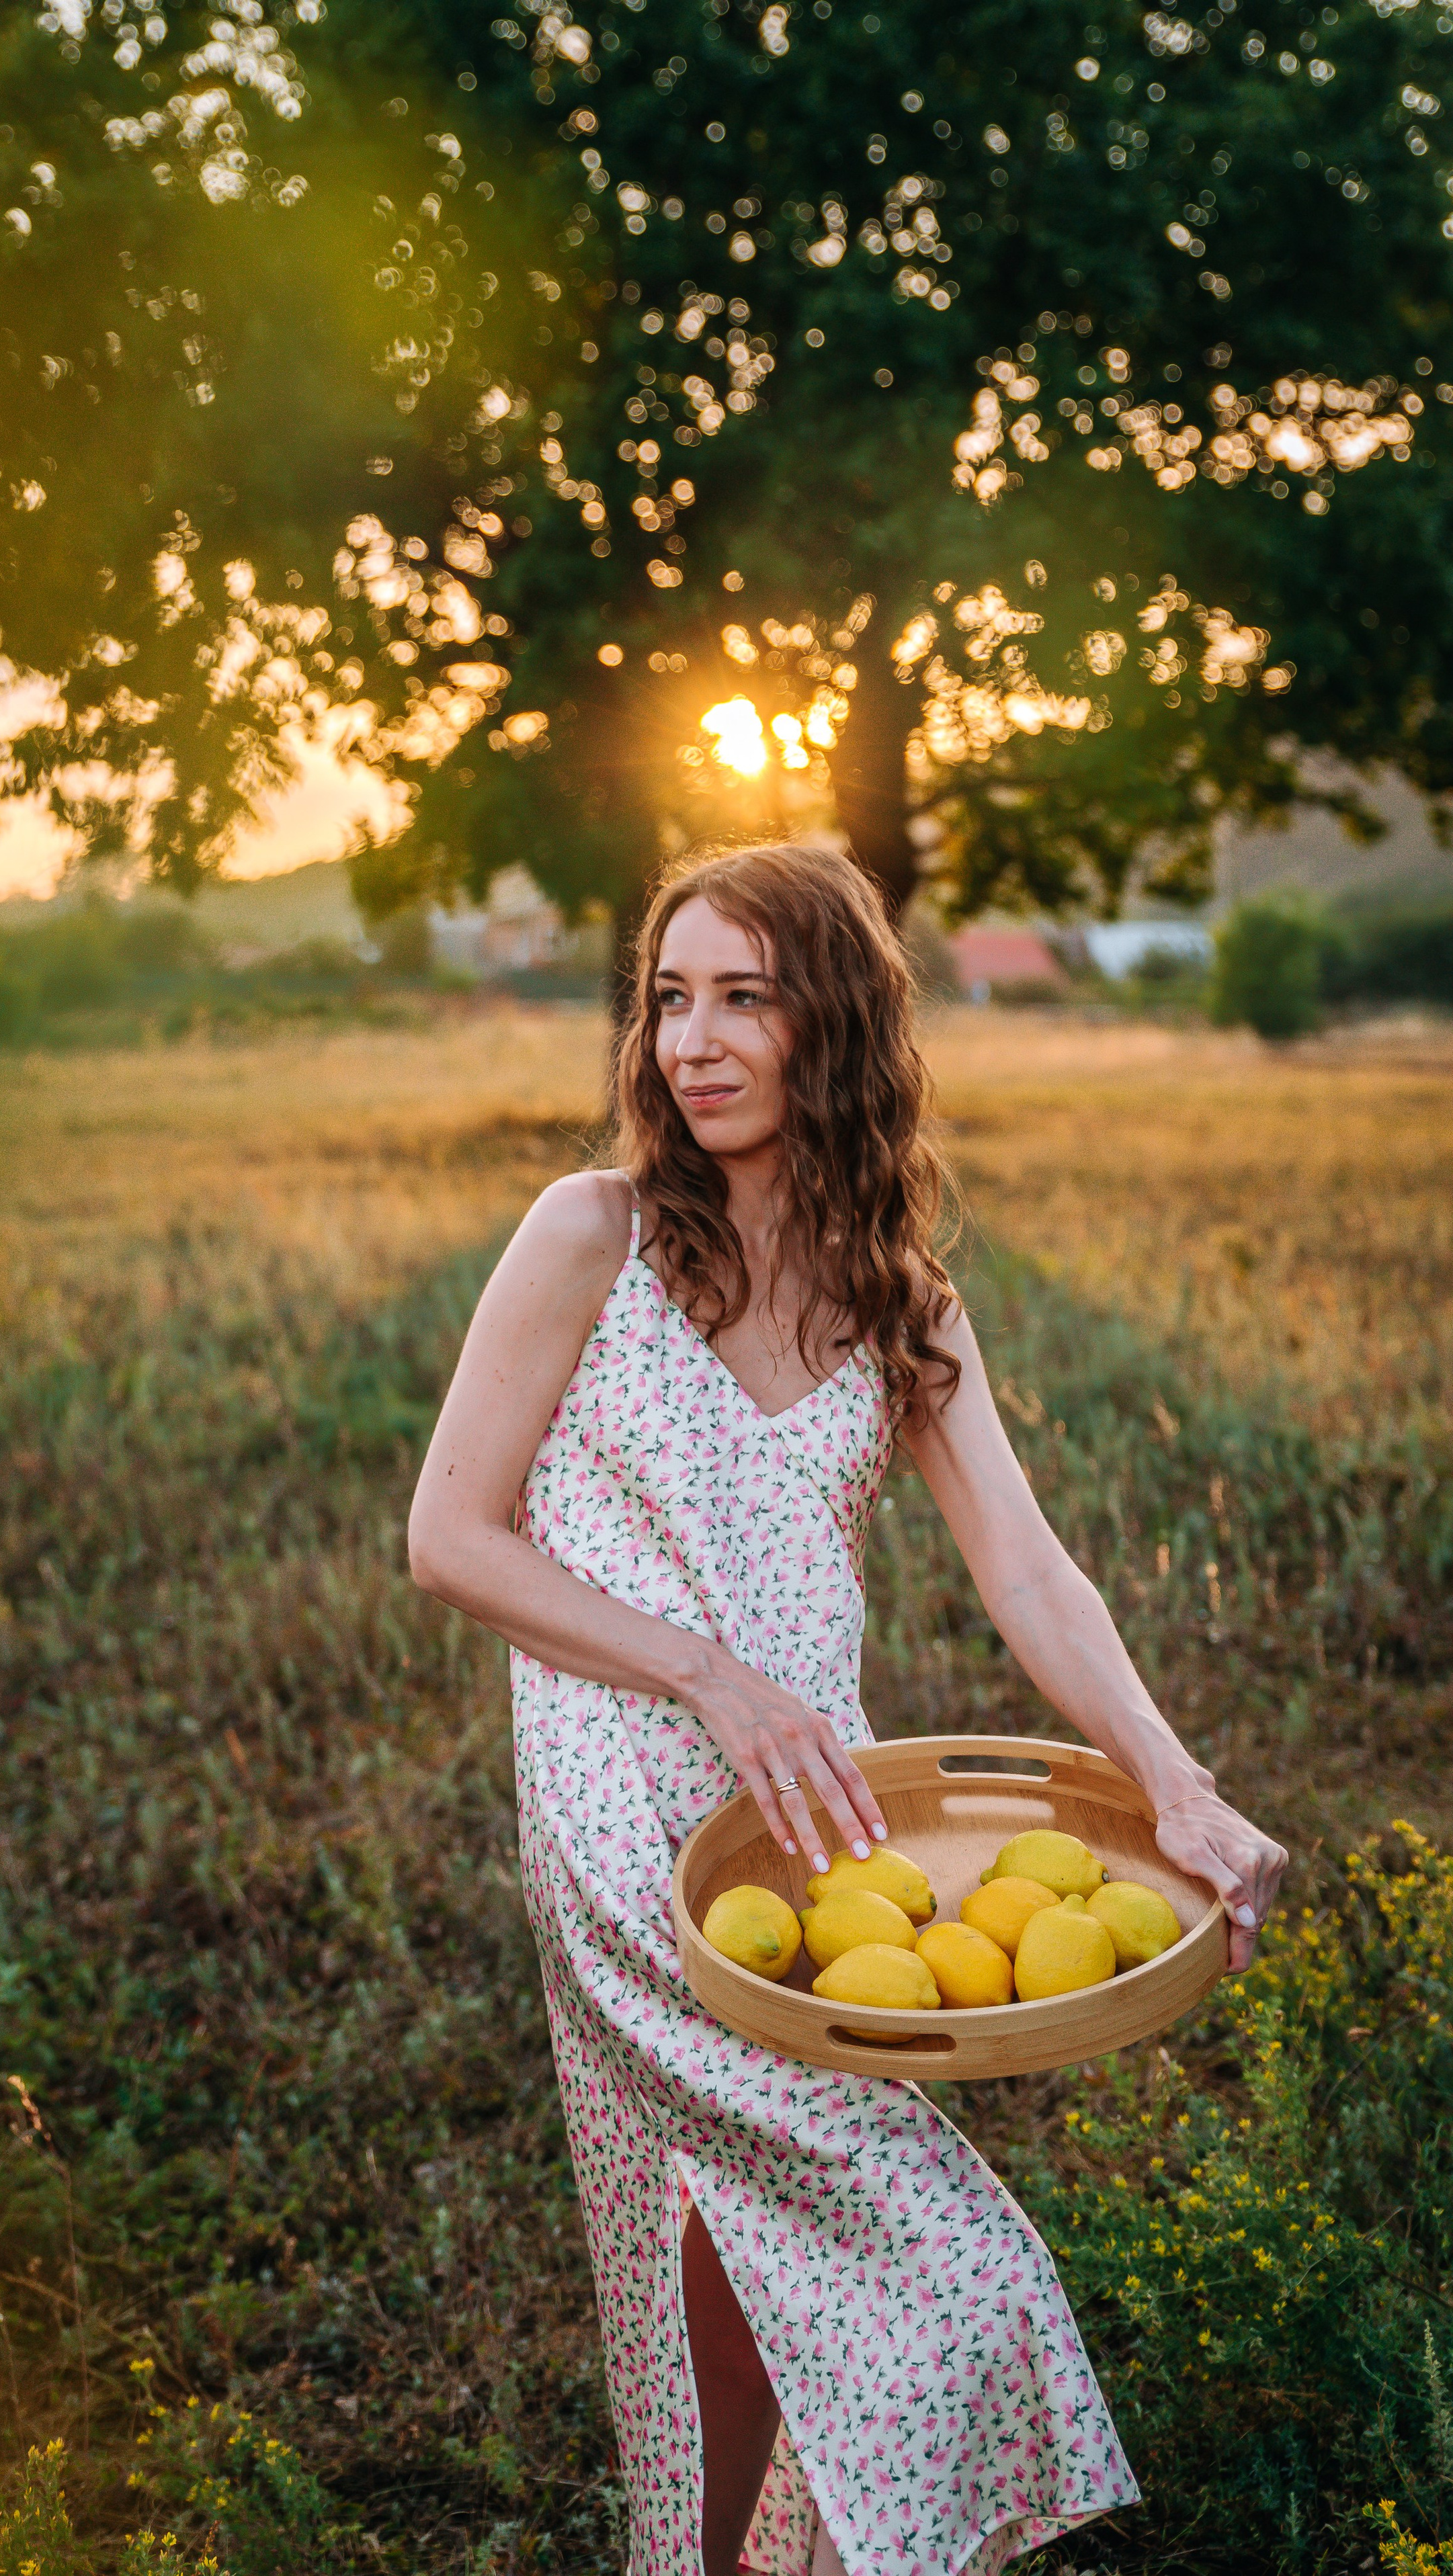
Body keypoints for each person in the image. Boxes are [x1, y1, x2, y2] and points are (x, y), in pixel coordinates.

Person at [408, 843, 1287, 2576]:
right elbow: (449, 1536)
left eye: (747, 996)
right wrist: (704, 1671)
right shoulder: (586, 1235)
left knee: (731, 2238)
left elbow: (1030, 1576)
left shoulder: (904, 1300)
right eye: (671, 997)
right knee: (927, 2241)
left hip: (817, 1814)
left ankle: (737, 2559)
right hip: (619, 1815)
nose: (695, 1042)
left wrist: (1174, 1784)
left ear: (842, 1024)